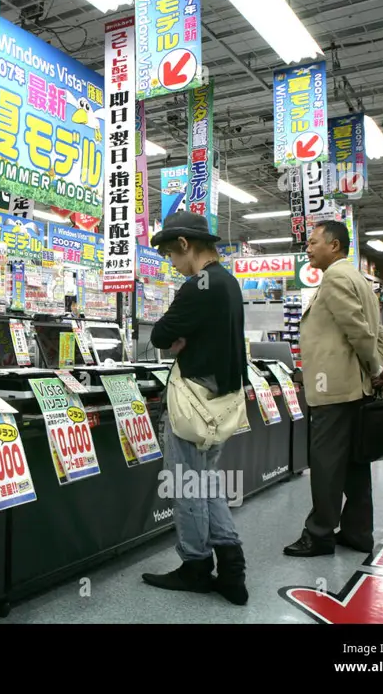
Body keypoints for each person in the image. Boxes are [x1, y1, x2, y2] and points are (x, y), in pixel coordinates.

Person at [141, 211, 249, 605]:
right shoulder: (228, 282)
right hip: (221, 403)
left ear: (185, 246)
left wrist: (178, 338)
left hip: (194, 403)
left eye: (171, 255)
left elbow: (160, 335)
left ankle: (196, 566)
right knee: (207, 482)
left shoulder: (198, 285)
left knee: (186, 485)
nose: (172, 264)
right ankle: (232, 567)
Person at [284, 220, 383, 557]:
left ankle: (319, 534)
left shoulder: (335, 278)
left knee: (327, 463)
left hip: (335, 389)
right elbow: (378, 332)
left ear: (334, 245)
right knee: (355, 464)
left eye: (314, 242)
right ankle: (358, 532)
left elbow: (358, 331)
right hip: (355, 389)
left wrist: (375, 368)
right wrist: (380, 369)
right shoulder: (361, 279)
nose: (308, 248)